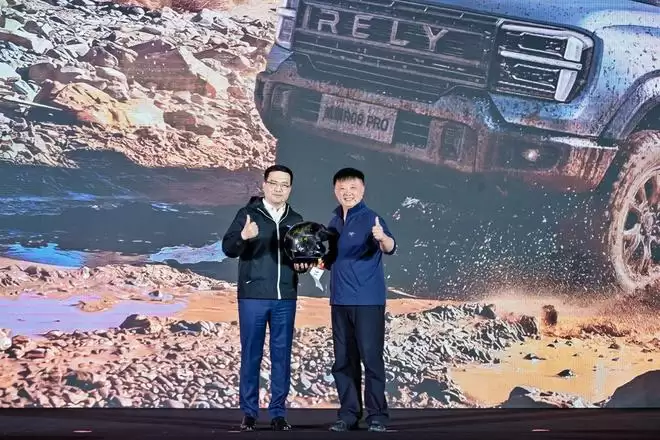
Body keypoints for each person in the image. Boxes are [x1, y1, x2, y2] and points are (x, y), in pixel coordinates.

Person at [221, 164, 307, 432]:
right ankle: (249, 413)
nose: (279, 189)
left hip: (285, 298)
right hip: (253, 297)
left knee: (282, 356)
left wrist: (303, 265)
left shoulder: (296, 219)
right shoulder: (247, 214)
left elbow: (301, 258)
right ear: (265, 184)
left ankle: (278, 413)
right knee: (251, 355)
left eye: (284, 185)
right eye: (274, 183)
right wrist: (243, 236)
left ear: (290, 189)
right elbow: (228, 248)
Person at [319, 167, 396, 433]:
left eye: (353, 187)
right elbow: (333, 259)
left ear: (362, 190)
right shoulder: (334, 222)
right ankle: (349, 414)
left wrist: (382, 238)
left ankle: (377, 416)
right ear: (335, 191)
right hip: (339, 300)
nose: (347, 192)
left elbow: (389, 247)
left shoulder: (372, 218)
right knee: (343, 361)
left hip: (367, 301)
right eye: (342, 188)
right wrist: (316, 261)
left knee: (371, 359)